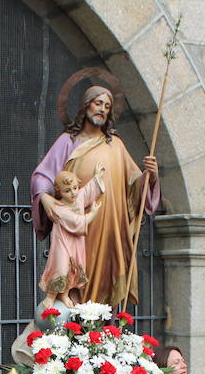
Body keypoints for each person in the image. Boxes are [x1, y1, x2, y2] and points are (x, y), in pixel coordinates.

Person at [31, 84, 159, 307]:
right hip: (77, 229)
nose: (102, 109)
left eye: (107, 106)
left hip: (109, 228)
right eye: (98, 103)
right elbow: (42, 175)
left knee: (106, 282)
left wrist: (152, 177)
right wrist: (45, 197)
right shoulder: (67, 142)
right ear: (86, 106)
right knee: (75, 276)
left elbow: (135, 185)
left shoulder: (116, 146)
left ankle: (102, 335)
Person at [37, 167, 106, 307]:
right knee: (60, 268)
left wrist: (97, 177)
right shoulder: (58, 208)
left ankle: (64, 294)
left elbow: (88, 191)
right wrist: (92, 213)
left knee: (72, 269)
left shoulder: (78, 198)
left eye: (75, 188)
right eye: (67, 191)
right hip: (62, 244)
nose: (73, 193)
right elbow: (77, 221)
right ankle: (51, 296)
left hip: (75, 244)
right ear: (59, 192)